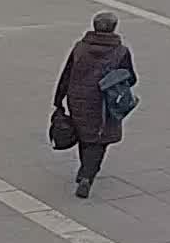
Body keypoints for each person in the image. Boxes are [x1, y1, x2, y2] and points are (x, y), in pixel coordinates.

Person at [55, 11, 136, 199]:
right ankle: (87, 176)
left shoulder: (80, 48)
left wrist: (58, 100)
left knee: (84, 134)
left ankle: (85, 168)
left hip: (78, 98)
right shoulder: (121, 51)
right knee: (99, 138)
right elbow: (130, 77)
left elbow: (67, 74)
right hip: (105, 102)